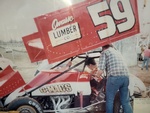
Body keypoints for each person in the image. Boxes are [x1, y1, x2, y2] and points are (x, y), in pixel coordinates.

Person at [94, 44, 133, 113]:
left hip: (114, 78)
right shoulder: (117, 52)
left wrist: (95, 75)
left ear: (103, 47)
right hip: (126, 77)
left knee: (109, 100)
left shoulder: (105, 52)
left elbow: (101, 70)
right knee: (125, 101)